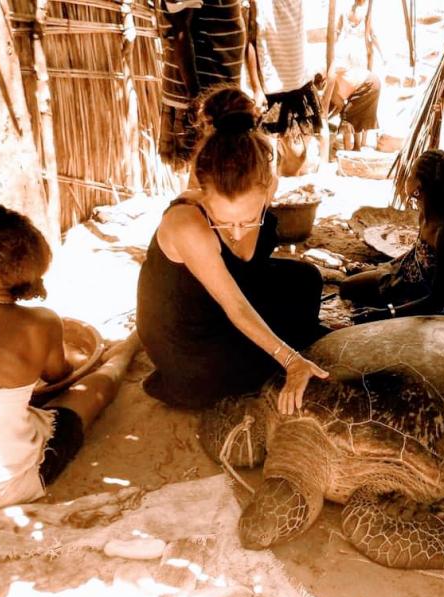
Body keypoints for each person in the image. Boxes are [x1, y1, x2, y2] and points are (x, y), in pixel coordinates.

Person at [0, 203, 140, 515]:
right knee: (86, 395)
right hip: (3, 489)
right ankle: (127, 350)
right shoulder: (42, 323)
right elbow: (58, 376)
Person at [136, 85, 328, 413]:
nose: (237, 231)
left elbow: (248, 264)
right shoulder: (187, 223)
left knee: (308, 280)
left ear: (267, 186)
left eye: (249, 219)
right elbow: (235, 306)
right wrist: (291, 361)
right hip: (191, 345)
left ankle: (288, 342)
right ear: (202, 193)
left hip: (224, 297)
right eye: (223, 222)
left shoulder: (264, 185)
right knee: (272, 353)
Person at [340, 149, 444, 322]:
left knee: (373, 317)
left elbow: (438, 299)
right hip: (417, 279)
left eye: (411, 174)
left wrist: (387, 313)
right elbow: (417, 253)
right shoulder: (426, 214)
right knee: (347, 288)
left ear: (419, 187)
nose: (407, 177)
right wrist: (384, 268)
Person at [158, 0, 247, 165]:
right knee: (204, 175)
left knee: (218, 174)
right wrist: (195, 97)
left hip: (220, 92)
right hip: (201, 99)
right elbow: (180, 31)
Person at [245, 0, 324, 175]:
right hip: (271, 90)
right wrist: (257, 89)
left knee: (297, 160)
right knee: (267, 164)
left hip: (300, 85)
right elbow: (248, 43)